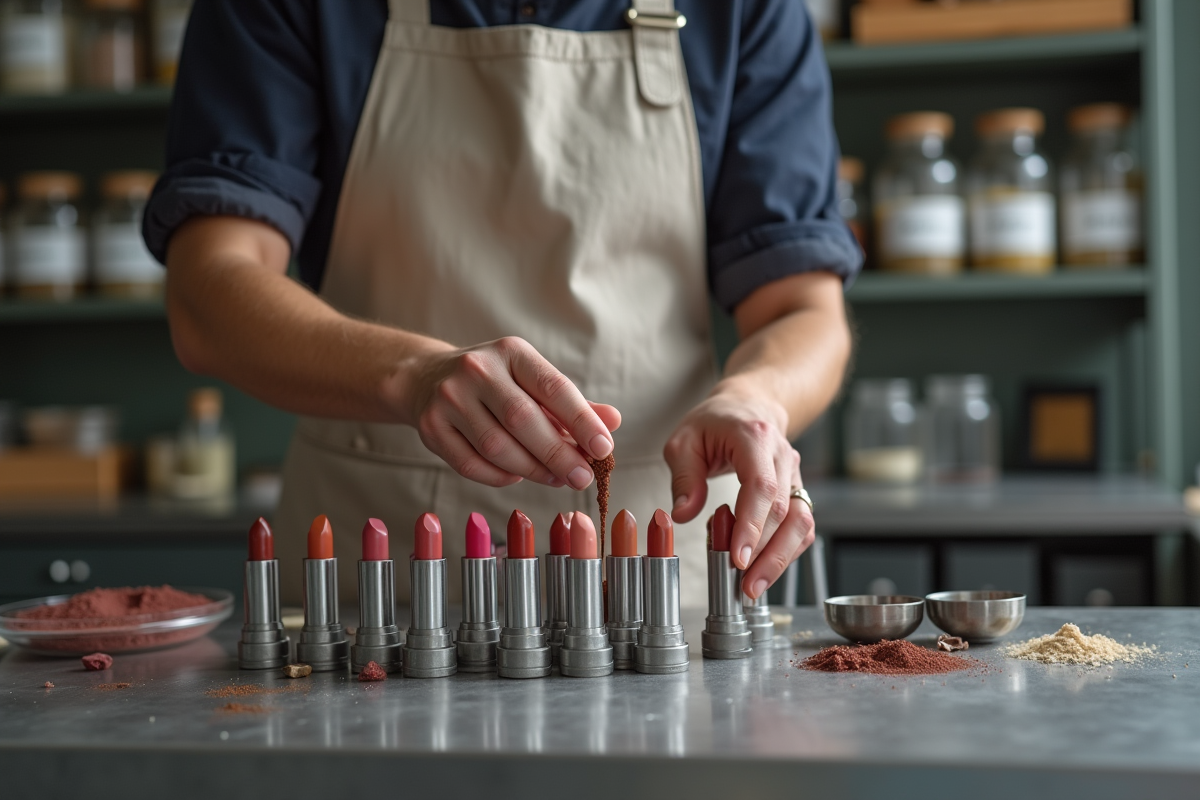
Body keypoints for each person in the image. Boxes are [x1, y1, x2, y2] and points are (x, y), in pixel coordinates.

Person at [144, 0, 859, 606]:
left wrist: (757, 397)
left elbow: (803, 308)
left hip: (655, 566)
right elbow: (209, 291)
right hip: (381, 574)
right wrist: (414, 373)